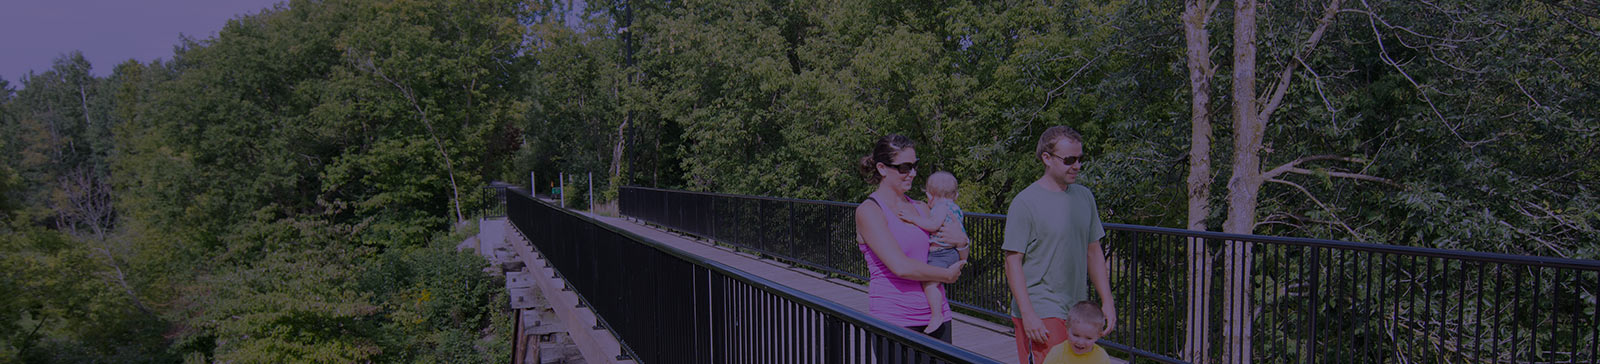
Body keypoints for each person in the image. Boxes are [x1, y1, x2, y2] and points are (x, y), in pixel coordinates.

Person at [1003, 126, 1116, 363]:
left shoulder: (1084, 197)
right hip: (1041, 309)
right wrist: (1028, 314)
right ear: (1046, 158)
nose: (1077, 166)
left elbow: (1093, 251)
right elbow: (1012, 261)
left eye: (1080, 159)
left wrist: (1107, 301)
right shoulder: (1025, 203)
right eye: (1069, 160)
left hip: (1076, 312)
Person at [855, 134, 967, 342]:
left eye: (914, 166)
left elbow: (955, 253)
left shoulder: (922, 209)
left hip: (938, 316)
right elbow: (901, 267)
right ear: (881, 168)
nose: (913, 174)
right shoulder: (870, 211)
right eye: (904, 167)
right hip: (895, 320)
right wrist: (946, 275)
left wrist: (962, 242)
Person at [895, 171, 972, 333]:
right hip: (952, 252)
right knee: (934, 283)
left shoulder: (941, 207)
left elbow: (934, 225)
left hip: (941, 253)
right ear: (955, 194)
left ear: (932, 195)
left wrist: (913, 218)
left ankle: (936, 315)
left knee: (930, 284)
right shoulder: (955, 208)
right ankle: (937, 314)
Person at [1041, 301, 1113, 364]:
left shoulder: (1101, 357)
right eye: (1076, 335)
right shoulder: (1057, 353)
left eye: (1088, 338)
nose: (1080, 342)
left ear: (1098, 336)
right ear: (1067, 329)